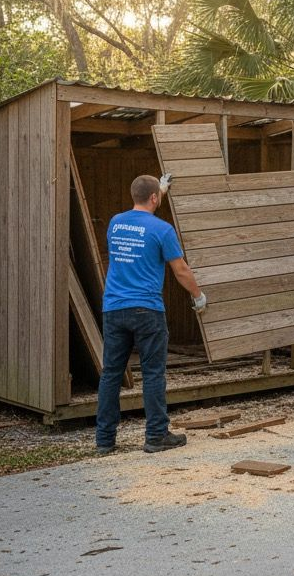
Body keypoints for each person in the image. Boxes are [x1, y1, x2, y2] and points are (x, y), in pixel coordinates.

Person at [95, 174, 207, 454]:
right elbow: (180, 270)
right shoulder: (163, 230)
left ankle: (104, 440)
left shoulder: (115, 223)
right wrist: (198, 295)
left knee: (110, 374)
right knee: (153, 373)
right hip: (147, 311)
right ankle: (156, 436)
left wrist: (160, 190)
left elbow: (140, 224)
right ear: (155, 198)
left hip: (114, 309)